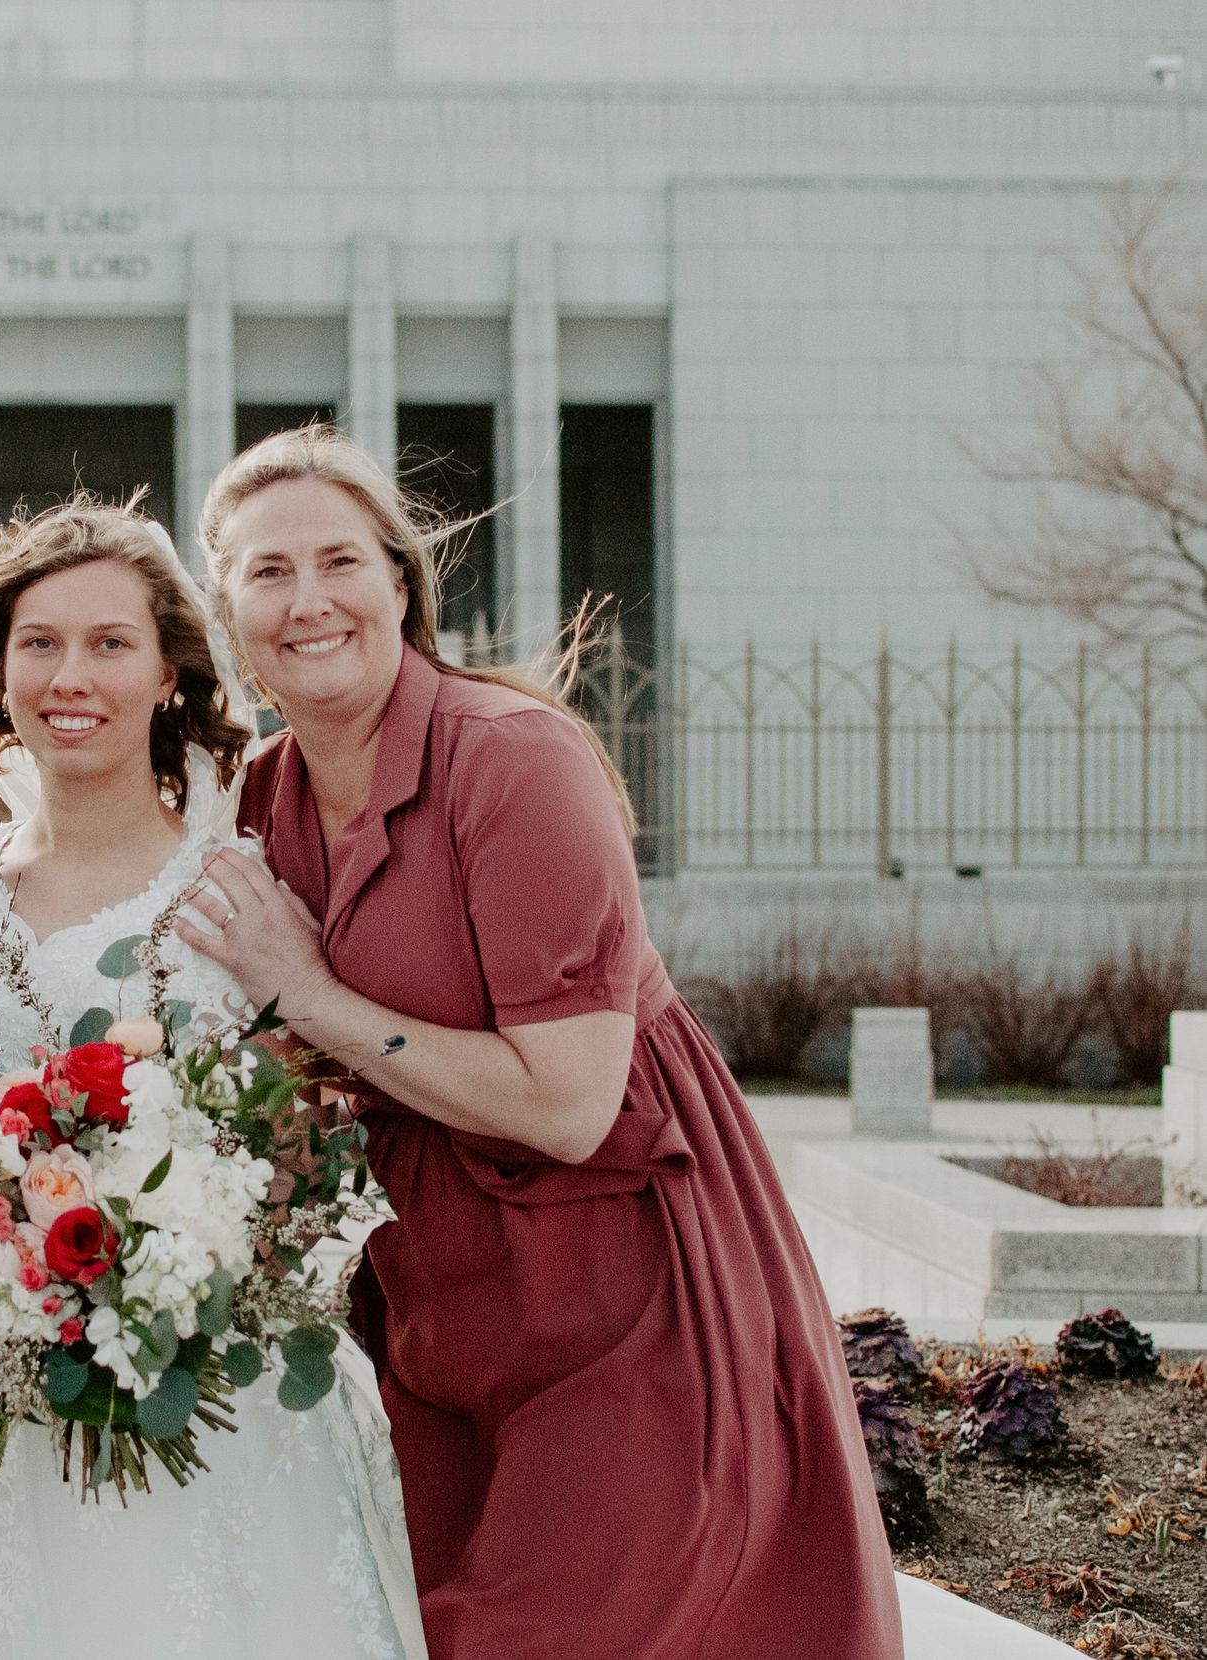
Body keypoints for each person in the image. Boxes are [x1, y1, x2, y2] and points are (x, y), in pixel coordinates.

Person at [184, 421, 1076, 1658]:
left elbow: (568, 1102)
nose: (308, 599)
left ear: (400, 581)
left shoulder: (511, 760)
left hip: (627, 1295)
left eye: (340, 559)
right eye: (267, 572)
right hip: (437, 1306)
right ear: (227, 608)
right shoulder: (261, 797)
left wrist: (310, 995)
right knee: (406, 1627)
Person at [0, 494, 425, 1660]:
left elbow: (316, 1133)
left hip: (213, 1400)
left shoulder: (239, 884)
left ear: (170, 672)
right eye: (41, 643)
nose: (73, 676)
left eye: (111, 643)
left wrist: (180, 1259)